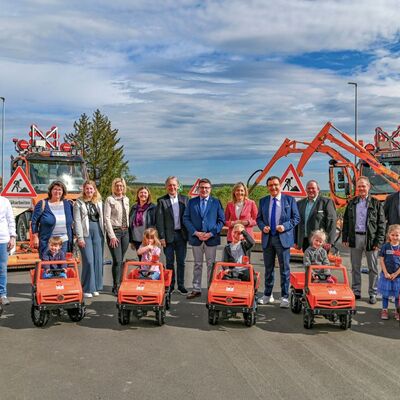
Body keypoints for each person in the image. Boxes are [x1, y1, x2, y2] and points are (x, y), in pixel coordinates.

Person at [256, 176, 300, 308]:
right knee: (268, 269)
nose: (273, 187)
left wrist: (285, 226)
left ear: (280, 185)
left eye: (275, 184)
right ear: (267, 187)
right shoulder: (263, 201)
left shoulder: (289, 200)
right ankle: (267, 295)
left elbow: (296, 218)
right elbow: (259, 219)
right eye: (270, 185)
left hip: (283, 239)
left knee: (284, 269)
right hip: (268, 238)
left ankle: (285, 297)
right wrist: (263, 226)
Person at [342, 176, 385, 304]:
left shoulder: (376, 204)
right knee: (355, 267)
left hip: (370, 239)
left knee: (373, 268)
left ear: (368, 187)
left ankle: (373, 293)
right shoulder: (352, 203)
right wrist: (345, 238)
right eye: (359, 186)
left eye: (363, 186)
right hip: (355, 238)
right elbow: (346, 221)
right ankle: (356, 291)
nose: (361, 188)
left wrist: (379, 242)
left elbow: (382, 224)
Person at [183, 178, 225, 299]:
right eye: (202, 187)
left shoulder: (216, 202)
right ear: (198, 189)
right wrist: (195, 232)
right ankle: (196, 289)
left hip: (211, 239)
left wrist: (211, 233)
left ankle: (211, 288)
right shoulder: (192, 202)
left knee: (211, 265)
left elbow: (221, 221)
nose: (204, 189)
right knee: (197, 264)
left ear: (210, 189)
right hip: (196, 238)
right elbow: (186, 219)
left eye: (207, 187)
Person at [156, 176, 188, 294]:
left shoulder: (185, 199)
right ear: (166, 187)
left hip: (181, 235)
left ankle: (181, 285)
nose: (172, 187)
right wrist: (162, 237)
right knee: (169, 262)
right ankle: (170, 285)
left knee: (181, 261)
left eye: (174, 185)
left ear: (178, 186)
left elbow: (188, 218)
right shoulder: (161, 201)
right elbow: (159, 221)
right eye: (169, 185)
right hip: (168, 237)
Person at [74, 180, 105, 298]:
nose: (89, 191)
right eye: (87, 188)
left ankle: (96, 287)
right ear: (84, 189)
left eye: (91, 189)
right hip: (85, 233)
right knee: (89, 260)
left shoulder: (99, 201)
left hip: (98, 231)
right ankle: (87, 287)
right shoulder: (78, 202)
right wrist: (80, 237)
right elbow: (77, 221)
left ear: (94, 189)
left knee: (98, 260)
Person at [31, 181, 74, 257]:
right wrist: (35, 237)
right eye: (55, 189)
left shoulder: (68, 204)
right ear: (50, 191)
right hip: (47, 241)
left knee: (62, 265)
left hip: (63, 241)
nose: (57, 191)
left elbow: (74, 221)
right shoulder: (42, 203)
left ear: (63, 192)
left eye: (59, 189)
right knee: (47, 265)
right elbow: (34, 222)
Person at [104, 178, 130, 295]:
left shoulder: (126, 199)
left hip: (125, 232)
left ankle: (121, 283)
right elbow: (107, 218)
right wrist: (112, 236)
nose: (119, 188)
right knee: (117, 260)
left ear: (124, 187)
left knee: (121, 259)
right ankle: (116, 286)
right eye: (117, 186)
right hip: (115, 232)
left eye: (121, 186)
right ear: (114, 187)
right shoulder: (110, 199)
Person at [295, 180, 337, 252]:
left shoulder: (326, 202)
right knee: (307, 262)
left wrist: (329, 241)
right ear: (305, 190)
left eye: (313, 188)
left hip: (320, 242)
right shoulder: (299, 203)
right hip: (305, 241)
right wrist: (296, 241)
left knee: (319, 263)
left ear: (318, 189)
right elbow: (296, 223)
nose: (311, 190)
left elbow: (331, 222)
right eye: (308, 188)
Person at [377, 224, 400, 320]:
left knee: (397, 295)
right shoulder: (385, 246)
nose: (395, 237)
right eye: (393, 235)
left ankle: (397, 311)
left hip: (397, 276)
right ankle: (385, 310)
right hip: (386, 275)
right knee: (385, 294)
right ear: (389, 235)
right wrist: (386, 273)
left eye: (397, 235)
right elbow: (381, 260)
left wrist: (396, 274)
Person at [129, 186, 156, 260]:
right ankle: (142, 271)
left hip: (148, 239)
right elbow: (130, 223)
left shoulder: (153, 207)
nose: (143, 194)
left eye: (145, 193)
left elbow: (156, 224)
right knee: (141, 259)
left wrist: (154, 238)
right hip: (136, 238)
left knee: (149, 260)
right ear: (138, 194)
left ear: (148, 195)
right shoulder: (134, 207)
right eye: (141, 192)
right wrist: (131, 240)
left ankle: (150, 272)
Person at [0, 196, 16, 306]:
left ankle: (2, 295)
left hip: (3, 239)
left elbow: (11, 220)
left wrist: (13, 237)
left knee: (2, 268)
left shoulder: (5, 201)